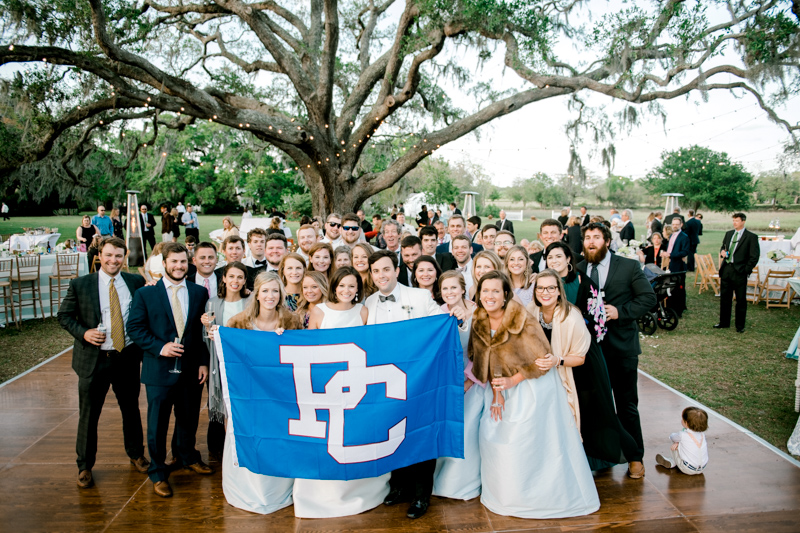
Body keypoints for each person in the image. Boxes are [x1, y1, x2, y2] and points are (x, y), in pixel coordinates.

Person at [470, 270, 599, 518]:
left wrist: (513, 380)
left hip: (531, 387)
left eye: (496, 290)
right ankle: (505, 494)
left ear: (506, 294)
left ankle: (539, 496)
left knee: (526, 440)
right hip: (499, 389)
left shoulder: (521, 317)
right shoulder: (479, 318)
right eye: (485, 291)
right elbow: (486, 360)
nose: (490, 296)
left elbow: (541, 358)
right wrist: (498, 393)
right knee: (492, 434)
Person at [365, 249, 464, 519]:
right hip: (386, 382)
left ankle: (421, 496)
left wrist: (455, 320)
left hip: (420, 378)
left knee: (421, 434)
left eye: (386, 269)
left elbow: (441, 325)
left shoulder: (419, 297)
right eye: (376, 271)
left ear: (397, 271)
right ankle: (399, 487)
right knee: (393, 434)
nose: (381, 275)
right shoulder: (368, 303)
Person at [57, 237, 149, 489]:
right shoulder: (81, 284)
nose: (113, 260)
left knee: (131, 409)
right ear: (99, 255)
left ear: (125, 256)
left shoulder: (135, 282)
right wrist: (84, 332)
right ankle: (84, 465)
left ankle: (136, 454)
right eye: (109, 255)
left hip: (126, 357)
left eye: (118, 256)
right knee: (89, 414)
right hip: (93, 359)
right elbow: (64, 316)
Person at [293, 267, 385, 517]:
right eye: (342, 285)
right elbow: (307, 347)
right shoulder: (319, 311)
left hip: (355, 382)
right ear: (334, 287)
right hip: (326, 383)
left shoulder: (363, 311)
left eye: (352, 286)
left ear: (358, 289)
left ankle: (359, 486)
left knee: (354, 433)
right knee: (328, 434)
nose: (347, 290)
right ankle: (323, 491)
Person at [126, 242, 213, 498]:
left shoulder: (199, 293)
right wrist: (159, 347)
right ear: (163, 263)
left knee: (188, 419)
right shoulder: (146, 293)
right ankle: (158, 472)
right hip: (159, 370)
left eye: (183, 262)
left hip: (190, 370)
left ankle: (187, 457)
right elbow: (135, 328)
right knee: (158, 424)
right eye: (173, 262)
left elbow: (201, 334)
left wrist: (203, 362)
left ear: (189, 264)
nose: (179, 266)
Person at [544, 242, 639, 470]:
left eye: (559, 256)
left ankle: (632, 455)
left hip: (583, 355)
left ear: (569, 259)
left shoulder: (583, 282)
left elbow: (599, 322)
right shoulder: (544, 284)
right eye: (549, 257)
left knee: (595, 408)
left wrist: (579, 340)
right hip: (554, 355)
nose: (554, 261)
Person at [577, 222, 656, 479]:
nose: (591, 242)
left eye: (596, 237)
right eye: (587, 238)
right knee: (595, 406)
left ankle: (636, 457)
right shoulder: (577, 270)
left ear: (607, 241)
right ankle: (602, 455)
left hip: (621, 348)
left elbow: (648, 299)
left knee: (626, 404)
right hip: (589, 352)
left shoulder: (629, 266)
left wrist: (620, 312)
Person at [221, 272, 303, 514]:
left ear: (281, 294)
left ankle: (277, 489)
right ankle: (246, 488)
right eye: (265, 291)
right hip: (248, 394)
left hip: (280, 394)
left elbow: (300, 356)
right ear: (256, 294)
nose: (270, 296)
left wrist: (286, 340)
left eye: (275, 291)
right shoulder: (237, 322)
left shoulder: (291, 321)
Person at [433, 270, 481, 501]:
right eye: (445, 289)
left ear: (463, 288)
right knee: (450, 430)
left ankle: (467, 482)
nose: (449, 292)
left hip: (474, 379)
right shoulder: (439, 313)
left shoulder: (478, 312)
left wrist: (469, 381)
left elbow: (483, 349)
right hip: (448, 383)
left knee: (469, 430)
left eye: (454, 288)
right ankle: (444, 480)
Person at [200, 261, 248, 461]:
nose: (235, 281)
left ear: (245, 280)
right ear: (224, 279)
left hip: (245, 363)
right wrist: (206, 329)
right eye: (231, 277)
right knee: (225, 407)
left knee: (242, 407)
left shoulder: (252, 301)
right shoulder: (212, 303)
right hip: (219, 362)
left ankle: (243, 447)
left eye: (240, 277)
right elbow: (206, 336)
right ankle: (228, 451)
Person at [715, 212, 760, 333]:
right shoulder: (729, 234)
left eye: (737, 220)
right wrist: (722, 252)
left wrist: (746, 270)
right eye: (733, 220)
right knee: (725, 297)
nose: (734, 223)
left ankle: (740, 325)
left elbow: (754, 256)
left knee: (740, 299)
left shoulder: (751, 237)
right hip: (727, 269)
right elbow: (723, 247)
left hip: (740, 271)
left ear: (743, 221)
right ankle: (724, 322)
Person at [655, 407, 709, 475]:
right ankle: (677, 461)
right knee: (682, 443)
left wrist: (677, 442)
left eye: (682, 419)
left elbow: (672, 437)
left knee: (675, 445)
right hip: (702, 468)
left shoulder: (682, 435)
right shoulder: (702, 435)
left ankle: (672, 462)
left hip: (687, 469)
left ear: (686, 423)